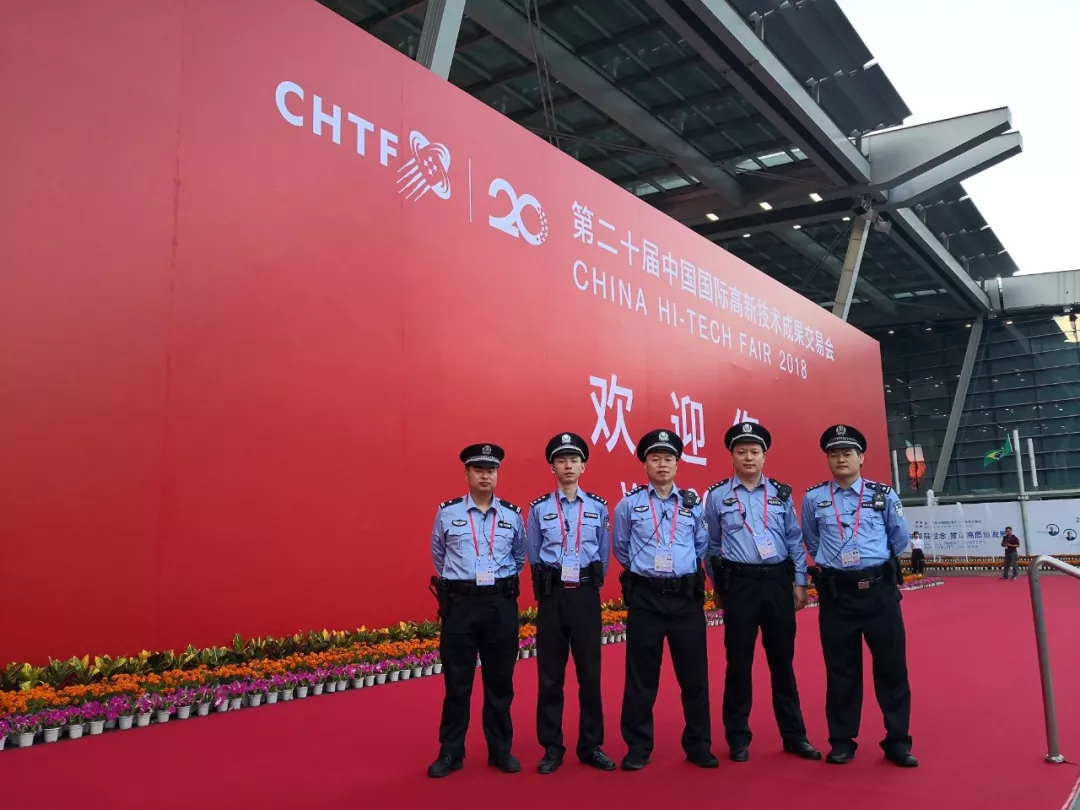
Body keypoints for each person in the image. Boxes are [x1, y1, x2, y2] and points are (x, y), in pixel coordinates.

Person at [800, 425, 917, 768]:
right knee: (841, 671)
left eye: (847, 453)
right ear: (828, 459)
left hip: (879, 591)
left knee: (892, 668)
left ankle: (897, 741)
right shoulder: (814, 499)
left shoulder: (883, 495)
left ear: (861, 457)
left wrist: (871, 561)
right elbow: (812, 541)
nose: (841, 459)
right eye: (834, 454)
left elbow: (898, 537)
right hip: (838, 595)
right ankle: (841, 741)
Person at [704, 421, 820, 763]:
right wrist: (719, 585)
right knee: (738, 663)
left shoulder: (781, 494)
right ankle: (738, 737)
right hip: (740, 585)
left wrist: (800, 581)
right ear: (732, 456)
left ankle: (794, 735)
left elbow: (794, 539)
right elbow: (711, 545)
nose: (748, 457)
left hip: (777, 583)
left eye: (754, 451)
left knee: (782, 662)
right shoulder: (717, 496)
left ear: (764, 456)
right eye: (741, 451)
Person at [613, 428, 717, 771]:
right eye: (655, 458)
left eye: (668, 458)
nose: (662, 464)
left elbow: (701, 545)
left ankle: (698, 744)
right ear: (645, 465)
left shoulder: (692, 504)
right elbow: (622, 549)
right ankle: (638, 746)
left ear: (677, 464)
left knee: (694, 677)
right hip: (646, 598)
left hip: (685, 599)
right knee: (641, 677)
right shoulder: (629, 505)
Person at [427, 443, 527, 778]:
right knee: (458, 683)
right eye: (479, 470)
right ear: (467, 474)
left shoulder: (512, 515)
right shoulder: (447, 513)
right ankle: (451, 752)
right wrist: (464, 582)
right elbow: (439, 555)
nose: (485, 476)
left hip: (500, 603)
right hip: (461, 605)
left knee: (500, 682)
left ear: (497, 474)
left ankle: (500, 750)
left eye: (491, 470)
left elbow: (519, 557)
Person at [526, 432, 615, 774]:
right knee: (550, 675)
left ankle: (591, 745)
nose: (567, 466)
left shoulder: (597, 507)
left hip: (585, 595)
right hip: (553, 595)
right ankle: (552, 747)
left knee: (589, 673)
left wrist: (588, 581)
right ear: (552, 467)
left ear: (583, 466)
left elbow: (604, 553)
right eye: (561, 460)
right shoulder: (539, 509)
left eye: (573, 460)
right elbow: (533, 553)